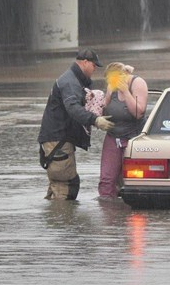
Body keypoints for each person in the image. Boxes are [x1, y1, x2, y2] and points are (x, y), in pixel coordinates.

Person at [38, 48, 114, 200]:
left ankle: (54, 219)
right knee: (67, 185)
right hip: (57, 140)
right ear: (85, 62)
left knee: (59, 185)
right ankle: (63, 220)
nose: (94, 70)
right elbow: (72, 108)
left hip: (56, 140)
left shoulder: (72, 79)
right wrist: (95, 120)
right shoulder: (70, 82)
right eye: (94, 66)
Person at [98, 62, 148, 199]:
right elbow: (103, 109)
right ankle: (108, 211)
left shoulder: (138, 83)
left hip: (133, 137)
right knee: (106, 179)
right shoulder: (110, 87)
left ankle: (132, 209)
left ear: (123, 75)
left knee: (131, 178)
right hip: (113, 136)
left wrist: (125, 91)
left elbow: (138, 113)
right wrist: (95, 107)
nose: (111, 83)